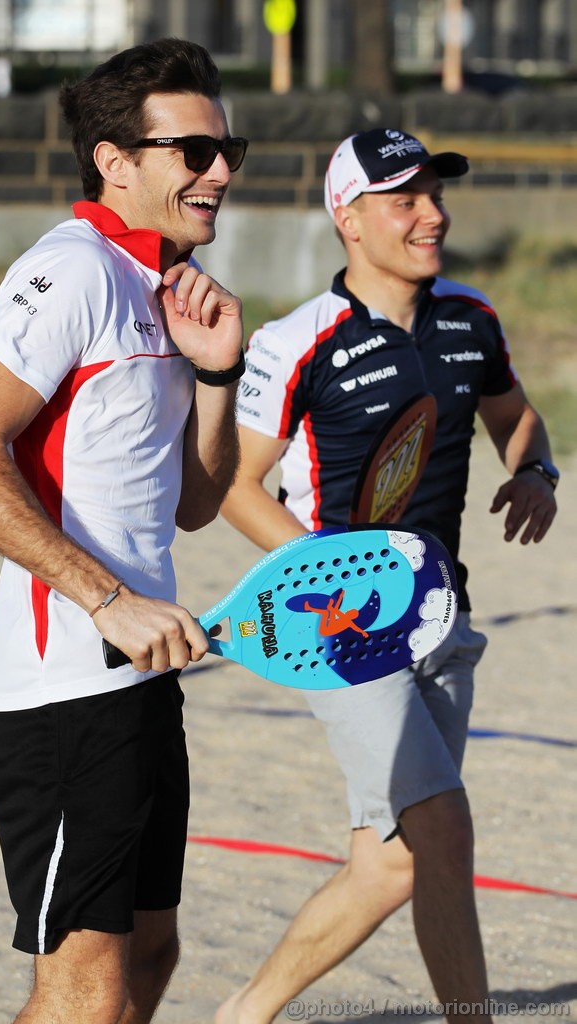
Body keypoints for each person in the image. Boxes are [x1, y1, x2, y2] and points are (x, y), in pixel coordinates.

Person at [0, 38, 248, 1024]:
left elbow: (194, 503)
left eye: (227, 147)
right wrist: (105, 598)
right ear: (115, 160)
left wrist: (217, 376)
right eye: (192, 151)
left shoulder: (161, 285)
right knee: (82, 989)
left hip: (142, 684)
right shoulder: (73, 269)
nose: (220, 170)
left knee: (150, 954)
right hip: (63, 692)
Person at [217, 128, 558, 1024]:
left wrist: (534, 473)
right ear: (349, 217)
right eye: (403, 199)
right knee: (441, 830)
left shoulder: (469, 319)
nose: (431, 215)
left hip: (445, 619)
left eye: (434, 196)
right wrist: (336, 575)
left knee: (391, 861)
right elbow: (234, 486)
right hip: (343, 632)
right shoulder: (299, 341)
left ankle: (242, 1015)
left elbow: (518, 420)